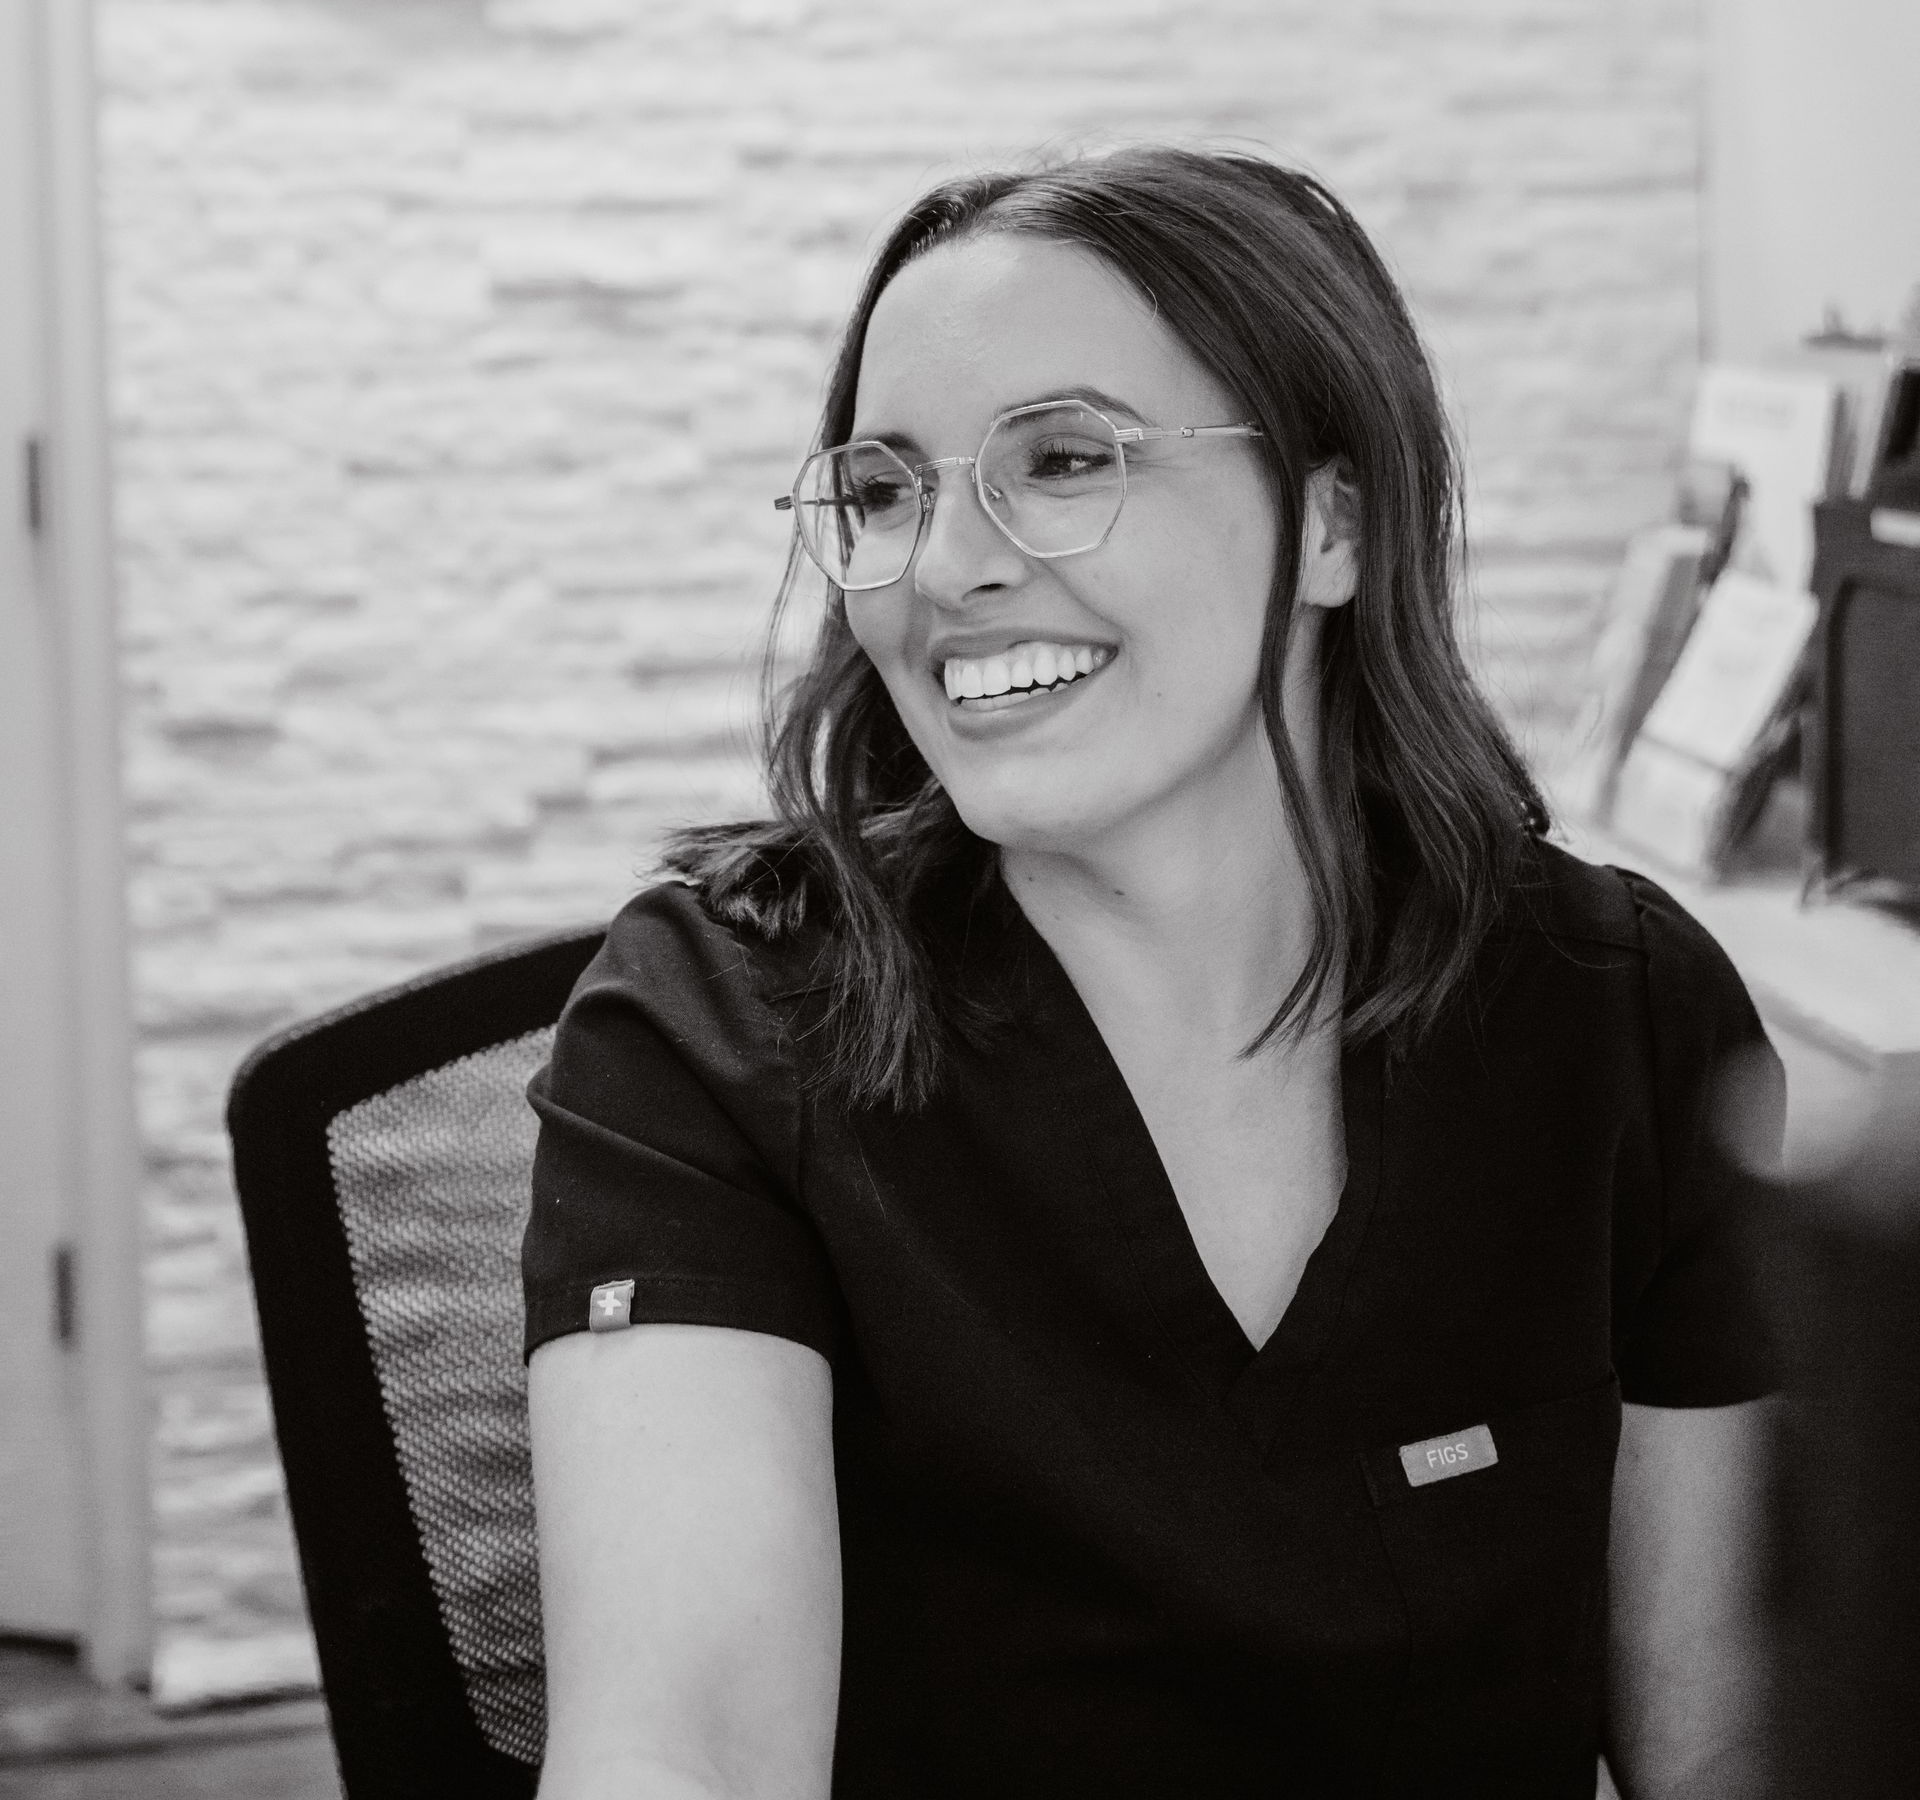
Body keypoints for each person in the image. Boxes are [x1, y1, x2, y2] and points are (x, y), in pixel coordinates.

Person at [522, 147, 1780, 1800]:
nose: (947, 566)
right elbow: (679, 1759)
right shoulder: (712, 1034)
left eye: (1062, 459)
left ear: (1334, 522)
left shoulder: (1615, 1015)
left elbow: (1752, 1748)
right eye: (888, 490)